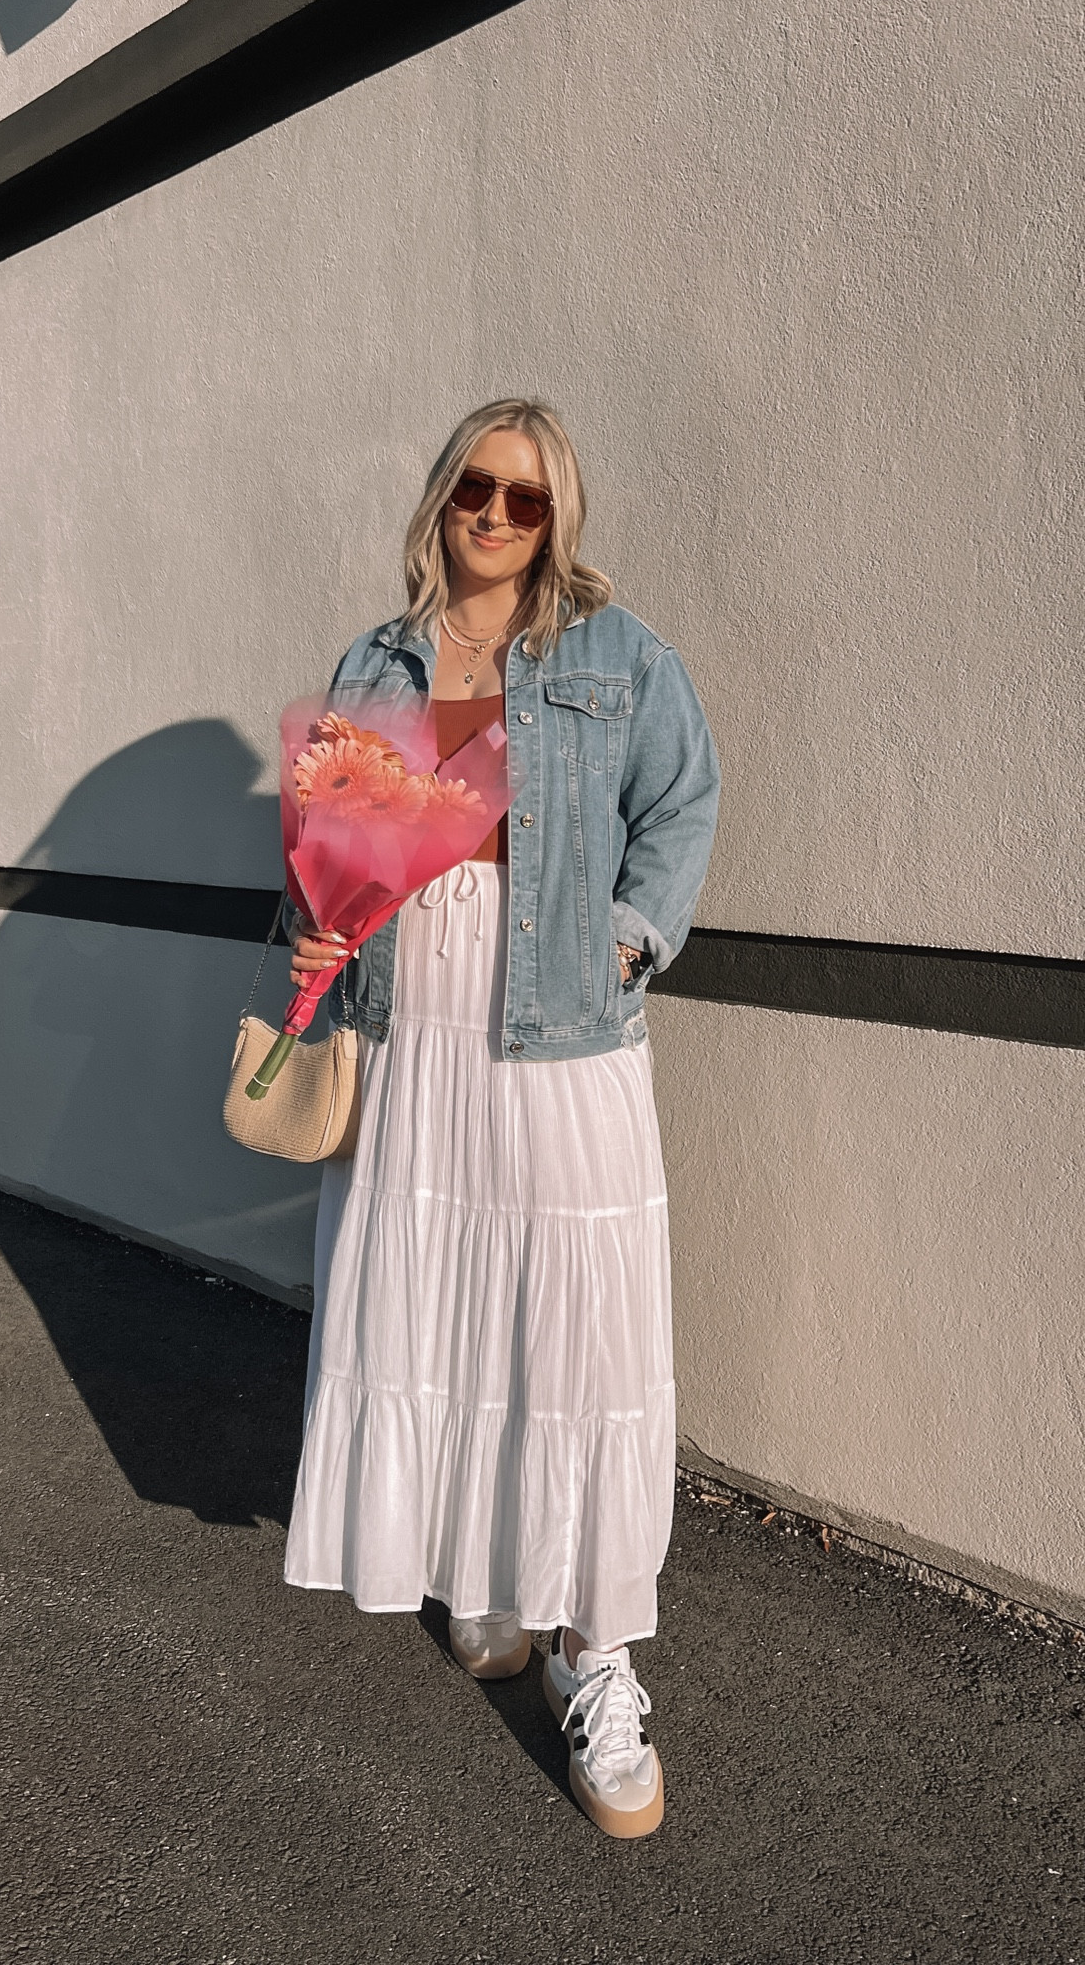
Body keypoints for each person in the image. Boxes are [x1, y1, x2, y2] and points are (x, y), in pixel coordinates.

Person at [281, 398, 719, 1838]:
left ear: (556, 517)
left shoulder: (616, 654)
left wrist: (628, 942)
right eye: (476, 485)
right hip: (417, 1024)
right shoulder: (380, 660)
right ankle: (490, 1572)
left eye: (525, 498)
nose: (494, 514)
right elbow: (332, 838)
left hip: (557, 1022)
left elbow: (684, 805)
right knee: (450, 1307)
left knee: (580, 1324)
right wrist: (317, 926)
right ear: (443, 495)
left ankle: (600, 1654)